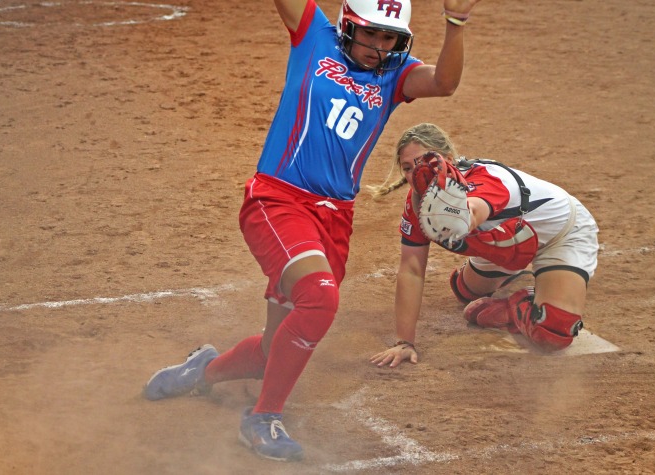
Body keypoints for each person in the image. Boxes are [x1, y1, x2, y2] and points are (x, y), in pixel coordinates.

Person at [143, 0, 482, 463]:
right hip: (278, 199)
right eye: (370, 35)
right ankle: (262, 418)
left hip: (335, 217)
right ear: (346, 24)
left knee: (274, 350)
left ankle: (204, 371)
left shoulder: (396, 74)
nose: (379, 47)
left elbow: (444, 83)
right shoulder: (313, 35)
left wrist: (456, 22)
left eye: (389, 38)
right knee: (320, 298)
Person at [369, 123, 599, 368]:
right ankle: (503, 276)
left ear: (448, 160)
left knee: (553, 333)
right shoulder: (417, 204)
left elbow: (473, 211)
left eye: (424, 162)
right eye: (407, 167)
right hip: (505, 241)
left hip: (560, 236)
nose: (416, 172)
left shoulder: (487, 181)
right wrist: (405, 342)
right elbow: (411, 269)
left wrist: (455, 211)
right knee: (465, 292)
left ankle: (517, 304)